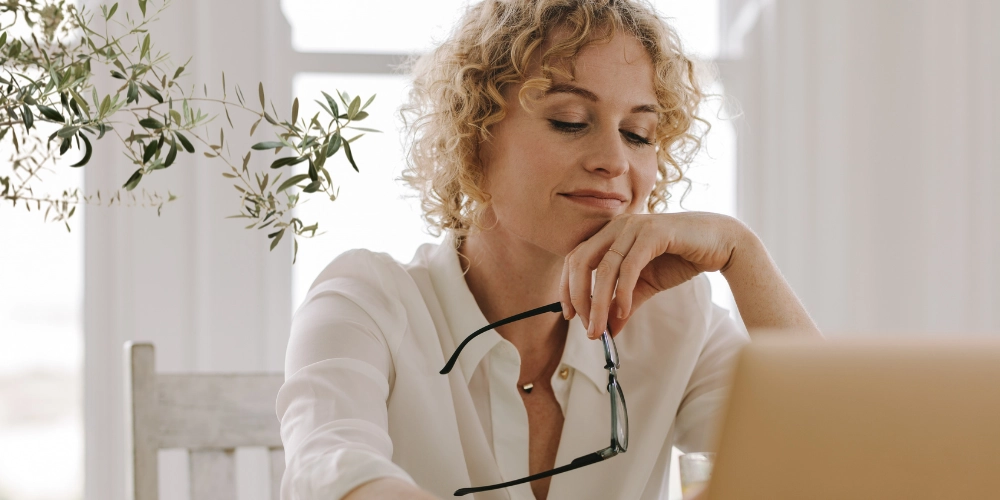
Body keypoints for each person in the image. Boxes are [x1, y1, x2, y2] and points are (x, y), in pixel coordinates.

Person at [276, 1, 820, 499]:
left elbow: (826, 460)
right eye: (570, 122)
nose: (614, 160)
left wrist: (740, 254)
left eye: (637, 133)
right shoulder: (366, 301)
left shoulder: (676, 318)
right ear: (476, 134)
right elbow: (330, 468)